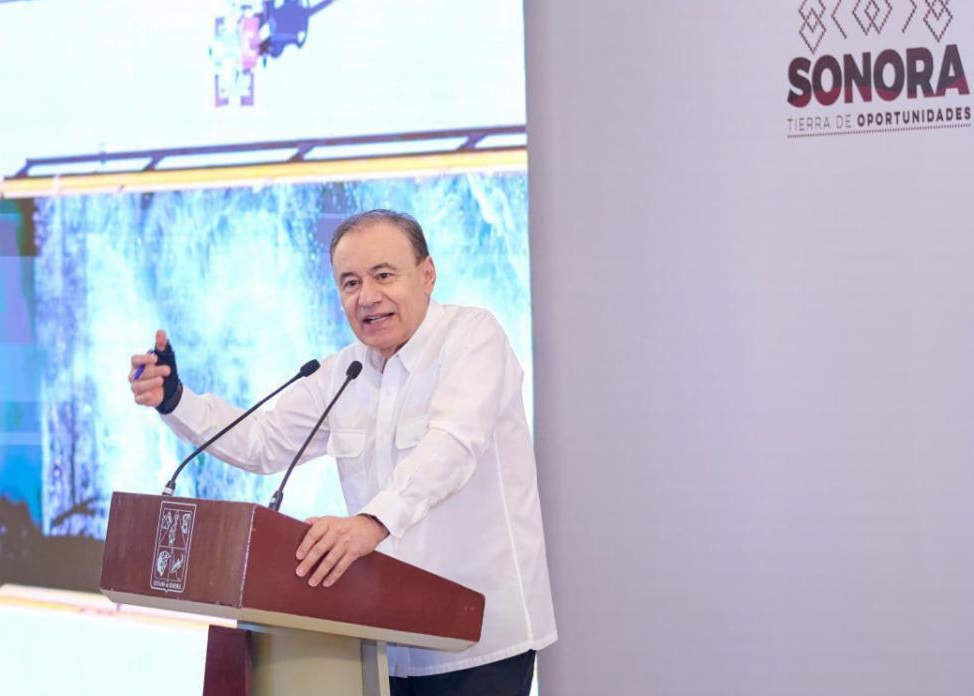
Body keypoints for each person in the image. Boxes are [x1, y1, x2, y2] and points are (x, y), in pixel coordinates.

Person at [128, 209, 557, 695]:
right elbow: (262, 441)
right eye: (350, 283)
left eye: (383, 275)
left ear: (427, 274)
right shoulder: (343, 372)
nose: (366, 297)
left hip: (480, 646)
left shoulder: (474, 337)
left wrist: (371, 523)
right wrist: (174, 399)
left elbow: (453, 445)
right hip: (383, 644)